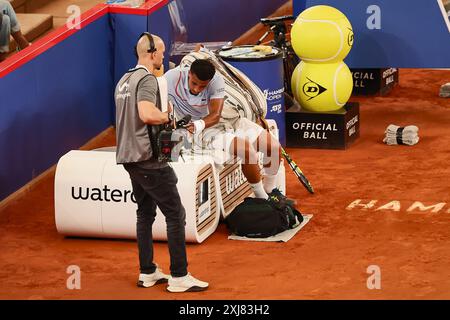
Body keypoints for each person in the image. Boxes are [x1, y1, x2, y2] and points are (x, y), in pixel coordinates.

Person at [114, 32, 208, 293]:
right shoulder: (146, 80)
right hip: (148, 159)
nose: (164, 57)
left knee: (145, 213)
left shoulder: (124, 80)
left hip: (130, 157)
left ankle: (148, 272)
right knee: (175, 214)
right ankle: (179, 276)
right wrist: (168, 118)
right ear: (152, 53)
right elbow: (146, 114)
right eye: (162, 52)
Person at [165, 47, 283, 200]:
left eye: (202, 86)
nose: (197, 89)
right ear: (189, 74)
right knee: (247, 151)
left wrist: (198, 125)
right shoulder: (170, 78)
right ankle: (263, 199)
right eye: (194, 83)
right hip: (200, 133)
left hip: (219, 123)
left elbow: (215, 116)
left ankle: (270, 190)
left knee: (273, 147)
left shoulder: (216, 82)